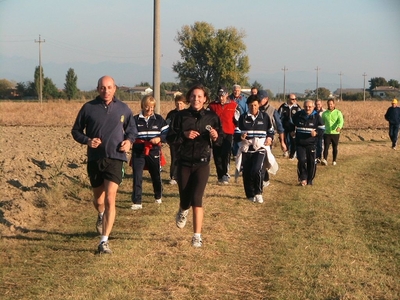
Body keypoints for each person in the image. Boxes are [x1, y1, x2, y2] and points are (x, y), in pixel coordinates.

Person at [71, 75, 137, 254]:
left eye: (109, 87)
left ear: (115, 88)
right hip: (95, 159)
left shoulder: (123, 108)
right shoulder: (88, 108)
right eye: (102, 87)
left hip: (116, 158)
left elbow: (132, 129)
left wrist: (129, 141)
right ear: (97, 89)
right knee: (99, 200)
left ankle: (104, 241)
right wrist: (88, 140)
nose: (106, 91)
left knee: (110, 198)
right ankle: (101, 215)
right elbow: (76, 131)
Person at [166, 84, 222, 248]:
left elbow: (220, 141)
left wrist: (216, 136)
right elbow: (170, 137)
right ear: (189, 98)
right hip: (183, 162)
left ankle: (197, 235)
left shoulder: (211, 117)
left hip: (202, 162)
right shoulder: (180, 116)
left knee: (197, 198)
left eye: (199, 96)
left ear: (205, 99)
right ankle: (183, 210)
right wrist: (184, 135)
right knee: (185, 199)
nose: (196, 99)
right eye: (193, 96)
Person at [130, 95, 169, 210]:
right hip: (138, 150)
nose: (149, 110)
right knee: (137, 175)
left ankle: (158, 194)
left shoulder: (159, 119)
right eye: (147, 107)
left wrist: (160, 138)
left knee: (155, 174)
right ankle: (137, 201)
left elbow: (166, 132)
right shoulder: (135, 119)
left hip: (154, 150)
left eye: (152, 107)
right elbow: (129, 133)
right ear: (143, 106)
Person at [234, 95, 274, 203]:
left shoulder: (265, 117)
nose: (253, 107)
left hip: (260, 148)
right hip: (246, 148)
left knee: (257, 169)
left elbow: (270, 130)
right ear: (248, 106)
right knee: (247, 172)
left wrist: (270, 138)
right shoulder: (243, 118)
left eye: (255, 105)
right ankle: (249, 194)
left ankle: (258, 193)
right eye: (251, 105)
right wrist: (240, 137)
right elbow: (236, 132)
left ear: (259, 105)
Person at [207, 86, 238, 184]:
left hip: (228, 132)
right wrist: (210, 130)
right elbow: (206, 119)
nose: (221, 98)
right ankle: (220, 175)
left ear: (227, 95)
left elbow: (238, 119)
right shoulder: (212, 106)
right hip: (216, 133)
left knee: (226, 153)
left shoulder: (234, 105)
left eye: (223, 96)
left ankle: (225, 174)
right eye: (219, 96)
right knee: (217, 154)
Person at [257, 90, 286, 187]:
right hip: (256, 138)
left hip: (267, 139)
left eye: (261, 99)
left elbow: (280, 127)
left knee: (264, 159)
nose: (259, 101)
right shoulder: (254, 109)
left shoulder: (272, 111)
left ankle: (265, 179)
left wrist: (282, 142)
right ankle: (262, 178)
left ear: (266, 99)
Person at [292, 99, 324, 186]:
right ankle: (303, 178)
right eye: (306, 106)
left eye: (310, 107)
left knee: (311, 162)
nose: (308, 108)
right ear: (303, 107)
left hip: (311, 143)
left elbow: (322, 129)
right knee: (301, 160)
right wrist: (292, 130)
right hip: (300, 143)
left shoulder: (317, 117)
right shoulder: (298, 115)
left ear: (313, 107)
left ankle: (310, 179)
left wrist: (316, 132)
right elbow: (290, 123)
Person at [165, 94, 186, 184]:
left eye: (181, 103)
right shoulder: (171, 114)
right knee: (175, 158)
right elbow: (166, 126)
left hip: (185, 140)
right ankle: (173, 176)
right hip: (174, 140)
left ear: (184, 104)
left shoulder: (188, 114)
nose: (179, 105)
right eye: (177, 103)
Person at [278, 93, 302, 159]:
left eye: (295, 99)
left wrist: (297, 126)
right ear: (288, 99)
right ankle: (285, 151)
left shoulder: (297, 107)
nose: (294, 100)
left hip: (293, 127)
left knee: (293, 140)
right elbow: (278, 116)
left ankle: (292, 154)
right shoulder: (283, 106)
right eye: (292, 99)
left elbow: (300, 117)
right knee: (284, 139)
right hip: (284, 126)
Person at [321, 99, 344, 166]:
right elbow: (322, 122)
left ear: (334, 104)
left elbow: (341, 121)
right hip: (327, 133)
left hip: (335, 133)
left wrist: (339, 127)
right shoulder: (325, 113)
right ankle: (325, 159)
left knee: (335, 147)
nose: (330, 105)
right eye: (328, 104)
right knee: (326, 147)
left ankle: (334, 160)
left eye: (331, 104)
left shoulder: (338, 112)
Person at [229, 84, 248, 157]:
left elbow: (246, 111)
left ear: (240, 91)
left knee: (239, 136)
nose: (236, 92)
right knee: (231, 136)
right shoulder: (229, 99)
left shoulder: (244, 100)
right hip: (231, 121)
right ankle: (233, 152)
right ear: (232, 91)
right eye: (235, 90)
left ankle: (237, 152)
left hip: (240, 121)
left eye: (238, 90)